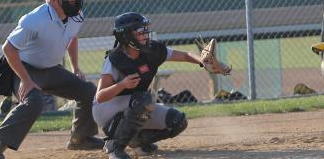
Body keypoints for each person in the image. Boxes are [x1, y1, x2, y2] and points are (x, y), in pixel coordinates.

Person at [94, 12, 231, 159]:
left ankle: (137, 141)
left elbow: (185, 55)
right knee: (144, 100)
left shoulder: (153, 50)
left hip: (136, 104)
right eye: (140, 31)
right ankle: (115, 147)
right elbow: (100, 97)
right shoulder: (115, 59)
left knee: (177, 121)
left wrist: (202, 61)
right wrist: (122, 84)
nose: (145, 34)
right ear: (126, 35)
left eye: (145, 30)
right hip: (106, 109)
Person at [0, 0, 104, 159]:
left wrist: (75, 67)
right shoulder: (35, 19)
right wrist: (26, 80)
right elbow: (9, 48)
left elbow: (72, 37)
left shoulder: (76, 15)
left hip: (50, 69)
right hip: (23, 68)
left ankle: (81, 138)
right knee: (34, 102)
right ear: (53, 0)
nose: (76, 0)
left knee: (88, 90)